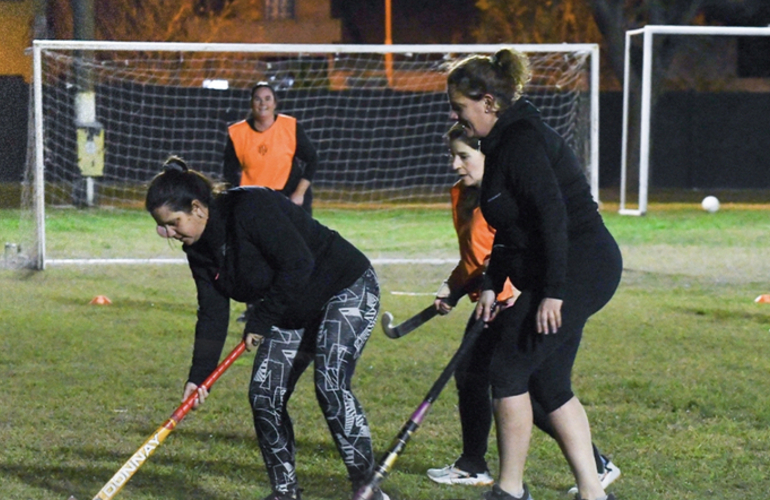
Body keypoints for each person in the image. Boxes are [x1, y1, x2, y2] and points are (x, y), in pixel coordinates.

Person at [145, 156, 388, 500]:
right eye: (162, 226)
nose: (167, 234)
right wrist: (199, 376)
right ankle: (285, 493)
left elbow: (298, 264)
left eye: (173, 223)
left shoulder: (250, 207)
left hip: (345, 288)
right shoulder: (197, 249)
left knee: (330, 384)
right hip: (290, 308)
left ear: (197, 208)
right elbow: (213, 312)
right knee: (264, 395)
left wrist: (260, 321)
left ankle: (369, 491)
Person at [446, 49, 623, 500]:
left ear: (488, 102)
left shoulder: (521, 140)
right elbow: (511, 228)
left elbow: (552, 217)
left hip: (582, 266)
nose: (456, 117)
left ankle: (509, 489)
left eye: (460, 108)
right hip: (563, 270)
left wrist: (554, 293)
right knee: (547, 382)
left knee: (506, 370)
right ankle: (593, 492)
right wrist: (490, 284)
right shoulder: (501, 141)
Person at [223, 81, 317, 215]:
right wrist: (239, 198)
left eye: (267, 99)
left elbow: (312, 160)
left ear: (274, 103)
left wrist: (299, 193)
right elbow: (229, 171)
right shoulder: (237, 133)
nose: (263, 104)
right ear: (251, 103)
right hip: (254, 197)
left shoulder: (290, 127)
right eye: (257, 99)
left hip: (289, 197)